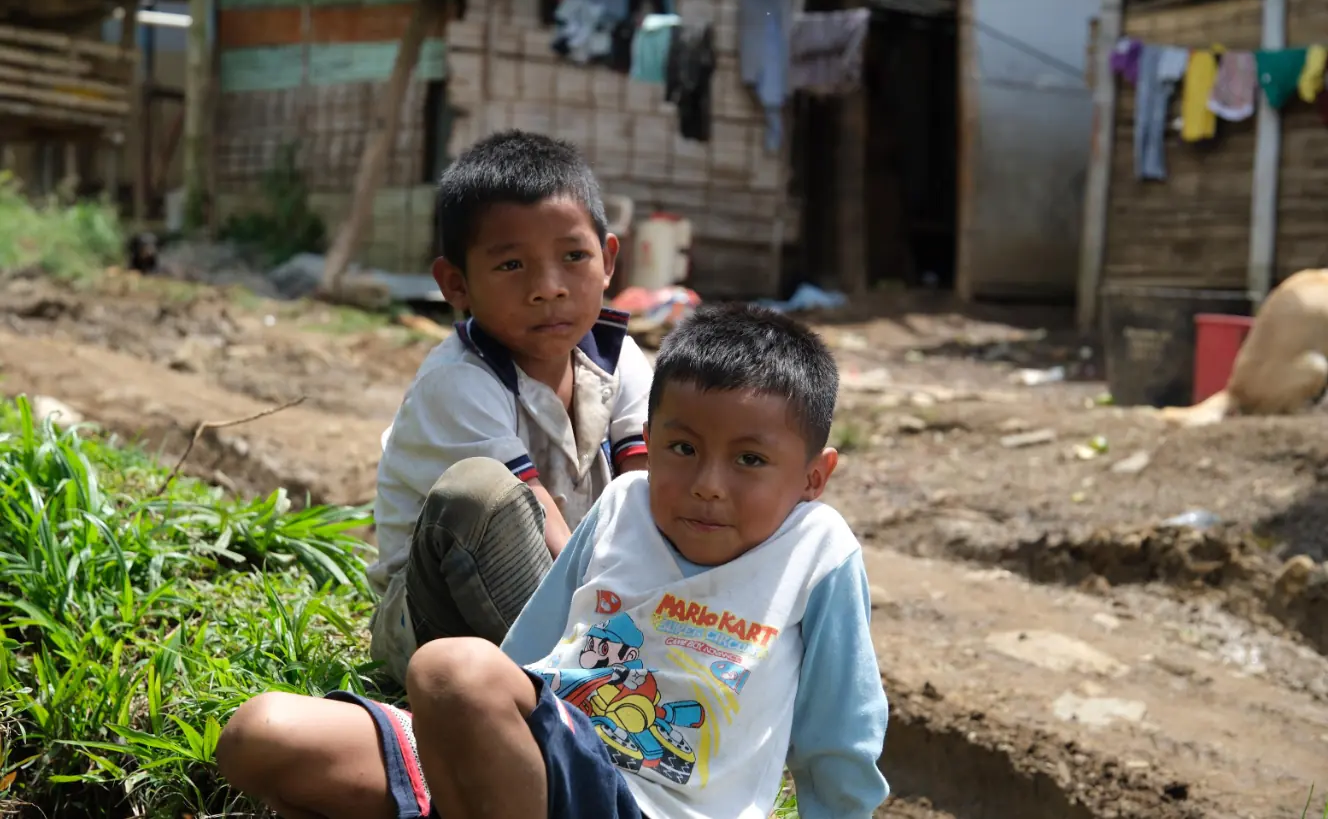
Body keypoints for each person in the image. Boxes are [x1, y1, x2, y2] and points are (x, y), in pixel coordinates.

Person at [215, 303, 891, 819]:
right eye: (682, 448)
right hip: (539, 771)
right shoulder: (625, 503)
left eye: (750, 459)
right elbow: (528, 657)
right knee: (261, 733)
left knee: (448, 666)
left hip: (650, 804)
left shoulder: (817, 553)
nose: (709, 482)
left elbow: (840, 744)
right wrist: (468, 750)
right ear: (650, 439)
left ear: (813, 475)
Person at [369, 129, 652, 685]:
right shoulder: (457, 382)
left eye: (574, 256)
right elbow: (539, 516)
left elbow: (646, 487)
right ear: (456, 283)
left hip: (580, 609)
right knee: (483, 492)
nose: (548, 288)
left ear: (609, 259)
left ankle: (597, 682)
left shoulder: (619, 359)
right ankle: (588, 696)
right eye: (511, 266)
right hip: (438, 626)